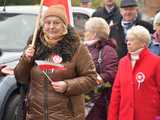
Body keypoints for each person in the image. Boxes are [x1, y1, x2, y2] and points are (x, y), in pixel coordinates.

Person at [14, 5, 98, 120]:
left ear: (64, 25)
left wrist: (67, 85)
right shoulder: (34, 45)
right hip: (35, 115)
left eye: (56, 23)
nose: (51, 27)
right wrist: (26, 60)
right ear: (43, 25)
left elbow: (92, 78)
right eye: (48, 23)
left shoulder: (77, 47)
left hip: (67, 116)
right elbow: (20, 78)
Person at [108, 25, 160, 120]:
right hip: (125, 116)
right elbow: (116, 93)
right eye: (127, 40)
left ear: (144, 43)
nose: (128, 43)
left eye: (132, 40)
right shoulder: (123, 62)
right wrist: (112, 117)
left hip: (149, 116)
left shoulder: (156, 62)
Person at [84, 17, 118, 120]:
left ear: (94, 34)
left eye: (87, 31)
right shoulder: (83, 48)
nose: (84, 33)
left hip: (97, 103)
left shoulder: (108, 50)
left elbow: (111, 75)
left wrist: (89, 80)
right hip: (81, 99)